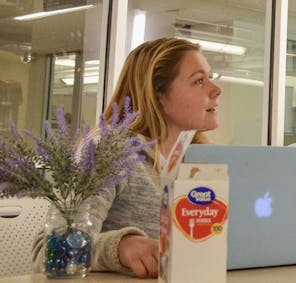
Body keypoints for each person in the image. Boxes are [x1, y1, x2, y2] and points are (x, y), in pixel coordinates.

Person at [32, 37, 222, 278]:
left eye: (211, 77)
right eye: (199, 81)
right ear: (158, 95)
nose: (217, 90)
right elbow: (48, 253)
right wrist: (120, 247)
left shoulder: (202, 160)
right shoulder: (108, 149)